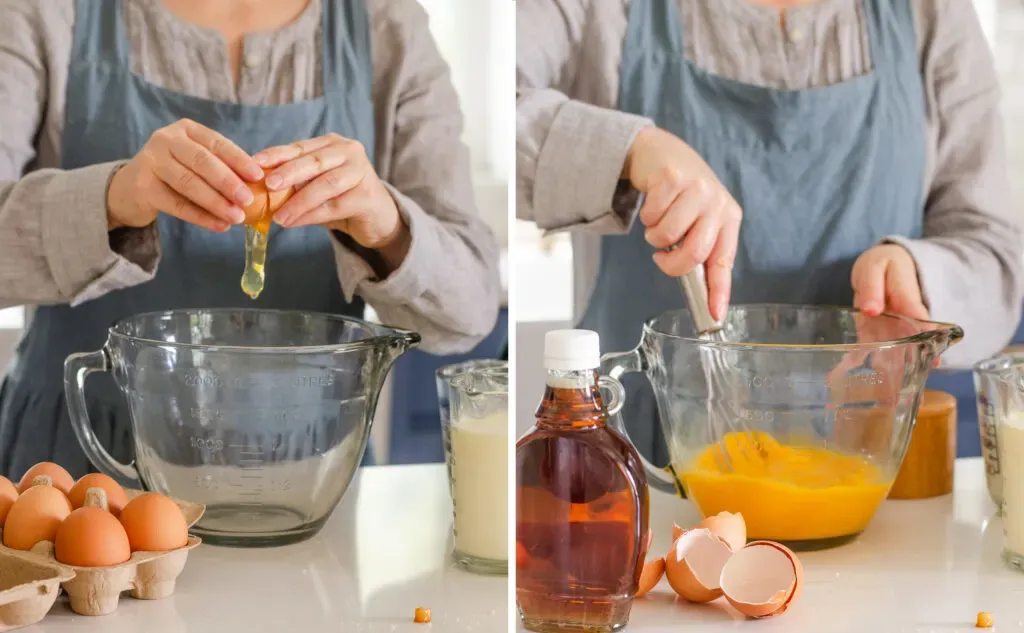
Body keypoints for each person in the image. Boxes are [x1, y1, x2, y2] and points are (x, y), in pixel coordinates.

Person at [0, 0, 501, 479]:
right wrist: (111, 199)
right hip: (78, 460)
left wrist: (387, 226)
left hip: (308, 473)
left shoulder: (389, 26)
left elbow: (467, 314)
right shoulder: (46, 13)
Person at [517, 0, 1023, 463]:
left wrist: (920, 273)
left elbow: (993, 254)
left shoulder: (933, 12)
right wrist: (631, 150)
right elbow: (500, 107)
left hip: (876, 473)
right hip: (641, 475)